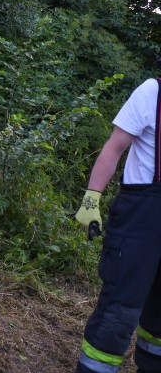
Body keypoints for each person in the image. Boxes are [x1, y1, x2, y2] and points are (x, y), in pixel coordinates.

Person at [75, 71, 161, 373]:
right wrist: (91, 199)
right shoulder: (152, 92)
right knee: (120, 310)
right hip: (141, 220)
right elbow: (115, 146)